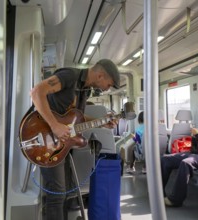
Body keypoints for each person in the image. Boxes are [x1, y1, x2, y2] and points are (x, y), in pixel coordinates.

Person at [30, 59, 120, 220]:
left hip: (61, 144)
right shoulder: (70, 77)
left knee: (64, 192)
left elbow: (75, 119)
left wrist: (101, 122)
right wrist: (55, 125)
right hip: (44, 138)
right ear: (100, 75)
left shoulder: (84, 90)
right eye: (109, 84)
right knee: (57, 194)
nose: (107, 89)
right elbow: (36, 92)